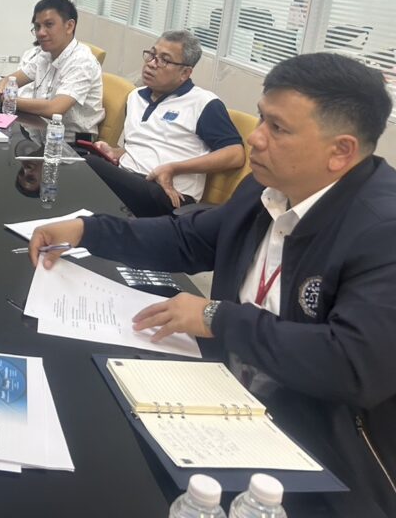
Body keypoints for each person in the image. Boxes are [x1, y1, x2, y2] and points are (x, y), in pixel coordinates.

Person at [29, 53, 396, 517]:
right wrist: (88, 230)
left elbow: (352, 365)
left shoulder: (383, 229)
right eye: (261, 119)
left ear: (340, 151)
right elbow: (189, 238)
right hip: (223, 398)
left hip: (320, 454)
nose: (255, 138)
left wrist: (217, 318)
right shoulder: (266, 189)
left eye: (278, 128)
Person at [84, 30, 245, 217]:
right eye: (151, 55)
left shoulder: (203, 103)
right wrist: (114, 152)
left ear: (185, 72)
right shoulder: (135, 97)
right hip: (128, 180)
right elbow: (141, 148)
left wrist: (174, 168)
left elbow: (235, 154)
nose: (151, 64)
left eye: (164, 60)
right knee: (77, 159)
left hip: (169, 195)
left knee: (87, 164)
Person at [0, 0, 104, 141]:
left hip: (70, 144)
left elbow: (55, 109)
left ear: (69, 26)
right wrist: (1, 92)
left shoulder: (82, 61)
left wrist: (0, 99)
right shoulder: (45, 55)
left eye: (49, 25)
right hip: (39, 133)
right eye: (37, 27)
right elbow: (8, 81)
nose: (41, 33)